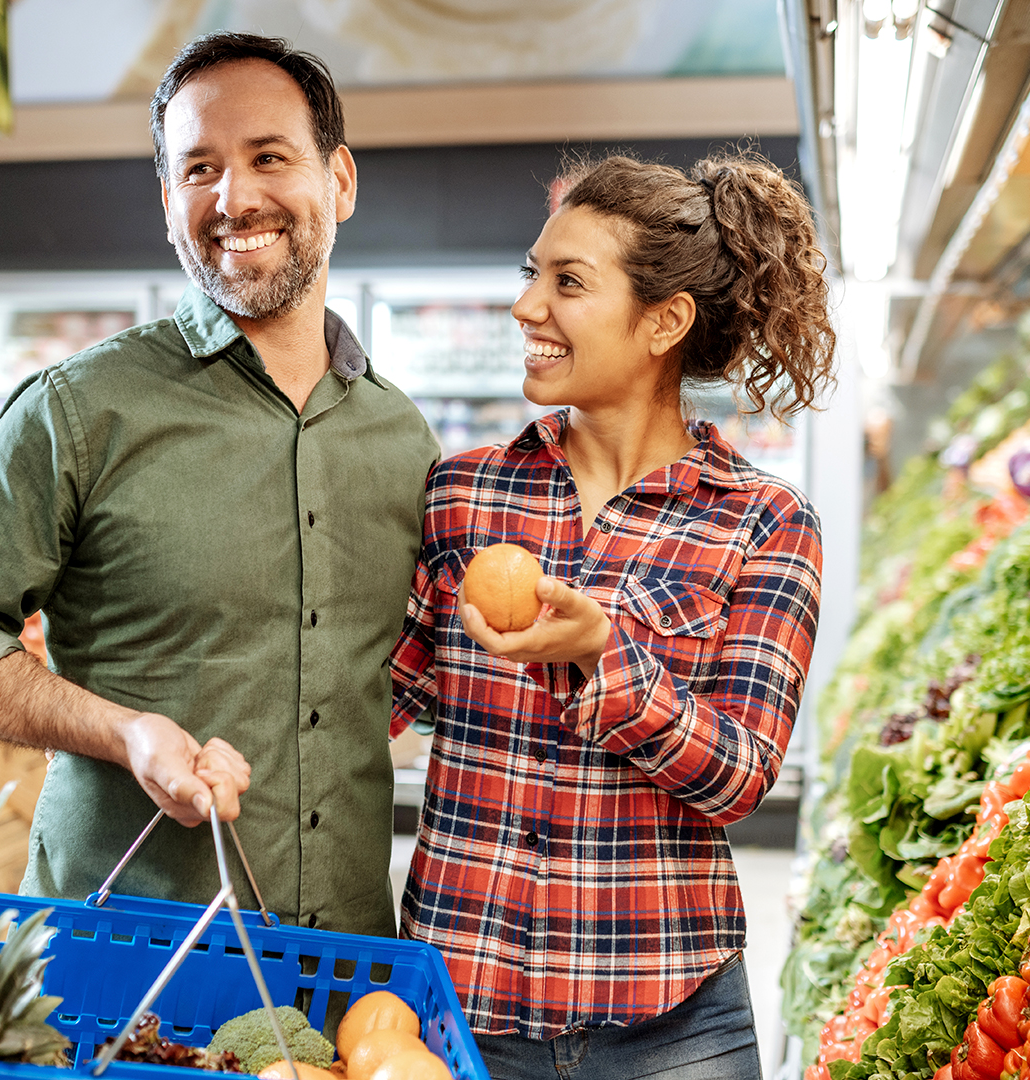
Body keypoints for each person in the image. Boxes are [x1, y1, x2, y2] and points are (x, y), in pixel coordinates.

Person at [0, 32, 439, 935]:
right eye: (199, 168)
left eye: (268, 158)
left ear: (340, 182)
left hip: (345, 956)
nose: (234, 197)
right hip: (126, 951)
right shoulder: (82, 409)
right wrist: (121, 732)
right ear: (169, 200)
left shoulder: (400, 438)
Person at [388, 152, 835, 1079]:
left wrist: (606, 655)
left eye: (567, 282)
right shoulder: (461, 493)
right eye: (530, 275)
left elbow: (741, 777)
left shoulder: (765, 523)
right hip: (457, 1004)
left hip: (671, 1024)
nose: (526, 307)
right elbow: (381, 696)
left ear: (664, 321)